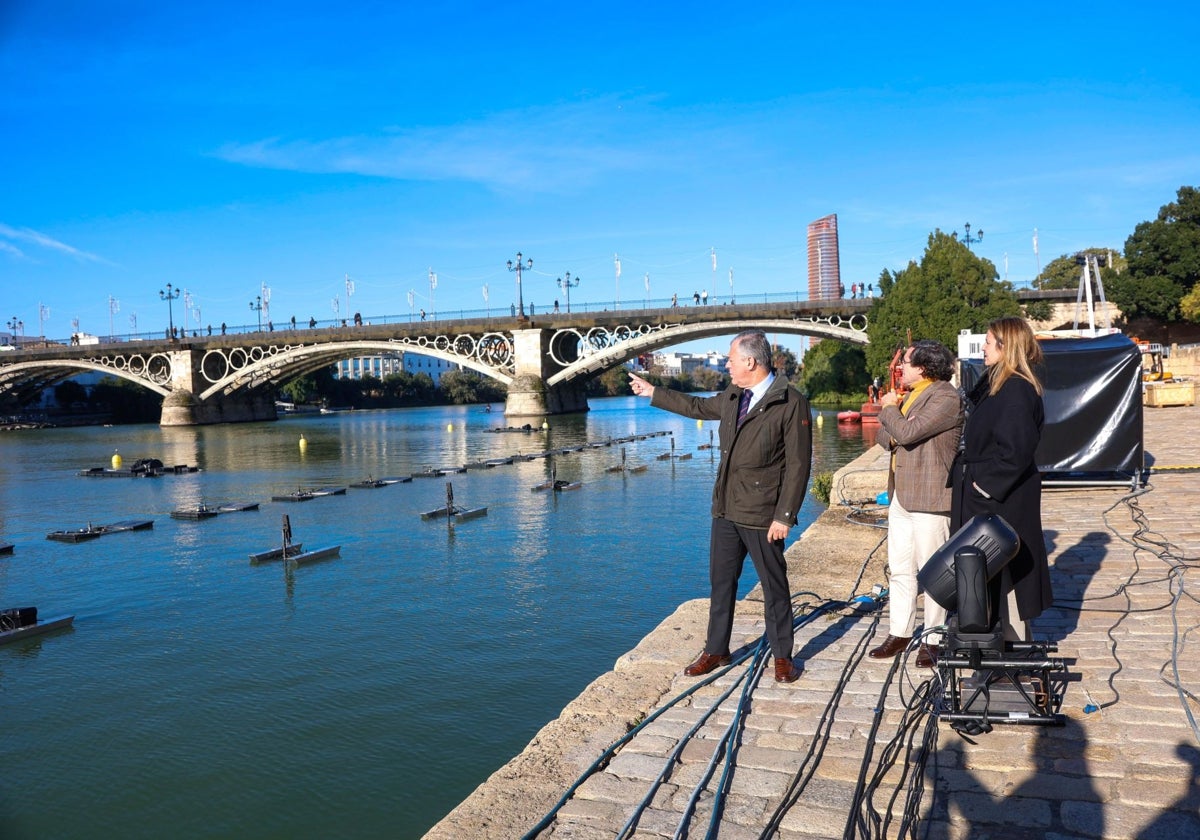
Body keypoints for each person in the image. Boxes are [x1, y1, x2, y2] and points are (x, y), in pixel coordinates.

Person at [628, 329, 812, 683]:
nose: (726, 365)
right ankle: (716, 649)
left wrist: (784, 516)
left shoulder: (790, 401)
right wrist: (654, 392)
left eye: (730, 359)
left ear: (750, 362)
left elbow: (799, 464)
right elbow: (697, 407)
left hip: (763, 513)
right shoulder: (733, 395)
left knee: (774, 585)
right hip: (726, 507)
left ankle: (783, 656)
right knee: (721, 582)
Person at [951, 316, 1051, 645]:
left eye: (989, 341)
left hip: (1001, 499)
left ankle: (1019, 658)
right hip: (988, 498)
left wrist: (984, 486)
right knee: (989, 575)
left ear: (1006, 347)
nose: (983, 347)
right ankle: (996, 652)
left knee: (1007, 577)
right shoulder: (999, 385)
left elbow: (1016, 451)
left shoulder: (1016, 390)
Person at [869, 340, 963, 667]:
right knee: (900, 568)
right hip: (901, 494)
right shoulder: (911, 397)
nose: (901, 368)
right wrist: (894, 417)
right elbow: (886, 438)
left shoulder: (945, 397)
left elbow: (906, 434)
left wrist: (891, 411)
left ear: (923, 367)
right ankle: (900, 631)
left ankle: (934, 638)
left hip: (930, 494)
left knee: (933, 570)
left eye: (906, 363)